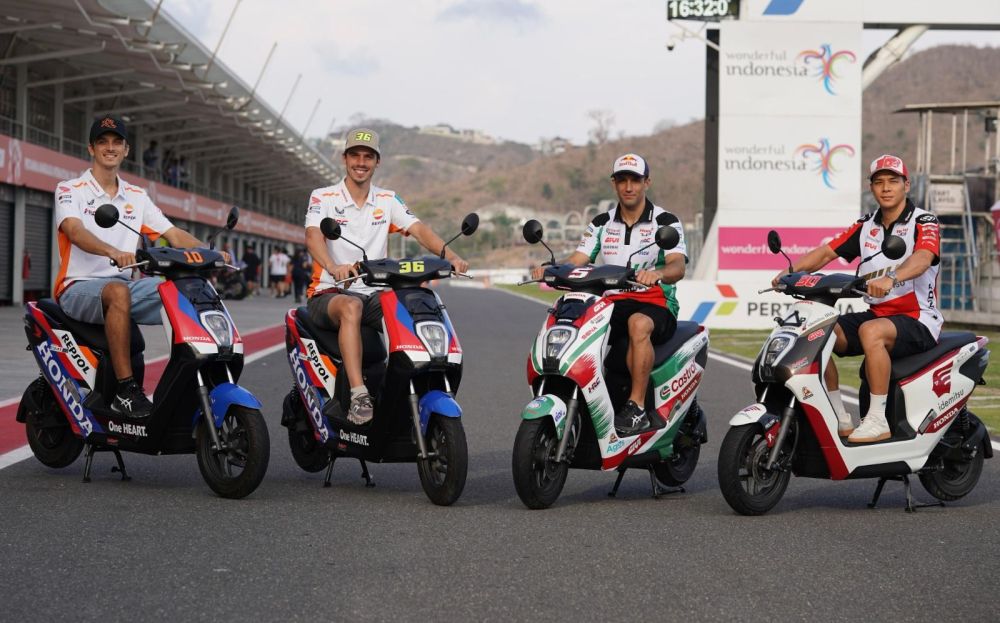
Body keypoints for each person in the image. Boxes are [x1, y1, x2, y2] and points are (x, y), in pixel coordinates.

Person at [771, 154, 941, 443]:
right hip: (878, 315)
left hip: (919, 318)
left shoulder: (923, 221)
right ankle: (838, 415)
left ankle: (877, 420)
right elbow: (826, 252)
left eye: (893, 181)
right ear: (871, 187)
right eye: (879, 182)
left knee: (870, 331)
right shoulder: (866, 225)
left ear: (906, 185)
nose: (886, 187)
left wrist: (892, 278)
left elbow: (923, 258)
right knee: (817, 330)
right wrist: (789, 273)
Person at [304, 127, 469, 425]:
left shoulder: (387, 199)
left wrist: (451, 257)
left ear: (377, 162)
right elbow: (313, 236)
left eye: (368, 157)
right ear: (344, 158)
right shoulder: (323, 196)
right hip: (330, 293)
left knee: (417, 303)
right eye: (355, 155)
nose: (361, 162)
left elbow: (419, 230)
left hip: (374, 294)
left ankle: (405, 385)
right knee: (351, 306)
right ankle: (359, 395)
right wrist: (333, 266)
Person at [54, 115, 210, 418]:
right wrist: (112, 251)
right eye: (102, 142)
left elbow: (172, 234)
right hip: (77, 287)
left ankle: (192, 379)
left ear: (126, 150)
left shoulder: (137, 196)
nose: (110, 147)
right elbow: (75, 230)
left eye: (117, 142)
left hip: (123, 287)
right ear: (91, 148)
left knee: (185, 290)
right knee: (118, 291)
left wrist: (211, 253)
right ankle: (125, 392)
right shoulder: (70, 189)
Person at [531, 153, 687, 436]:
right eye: (622, 180)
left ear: (647, 182)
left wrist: (658, 273)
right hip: (611, 303)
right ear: (614, 183)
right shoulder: (601, 222)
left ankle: (637, 407)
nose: (628, 187)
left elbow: (677, 265)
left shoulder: (665, 221)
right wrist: (551, 268)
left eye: (635, 180)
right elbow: (578, 259)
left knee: (637, 324)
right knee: (573, 320)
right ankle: (583, 397)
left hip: (655, 302)